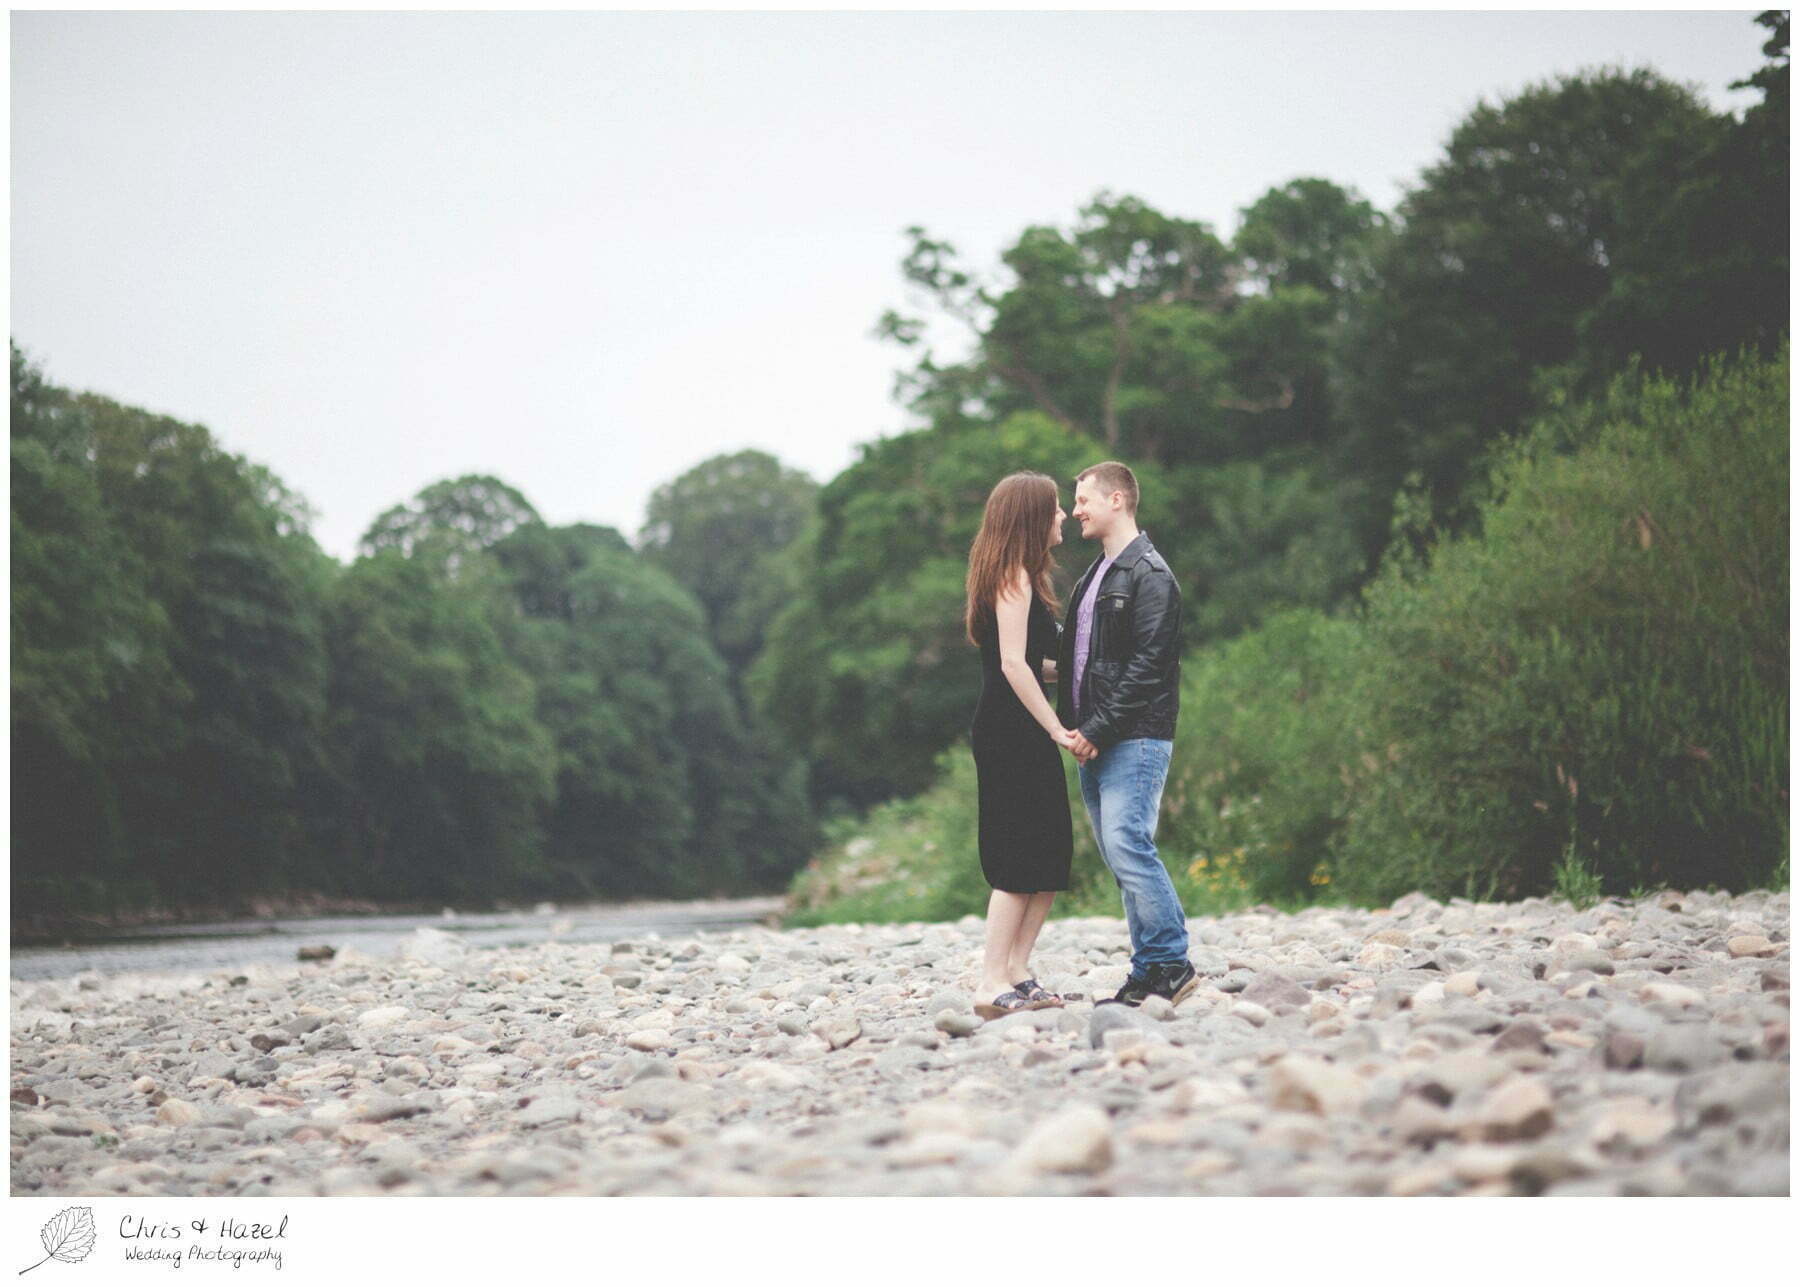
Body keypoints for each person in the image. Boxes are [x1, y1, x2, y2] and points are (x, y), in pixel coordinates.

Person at [1057, 461, 1199, 1007]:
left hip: (1133, 737)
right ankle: (1147, 972)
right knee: (1121, 857)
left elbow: (1148, 665)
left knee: (1128, 845)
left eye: (1084, 499)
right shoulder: (1097, 575)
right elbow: (1085, 659)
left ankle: (1171, 962)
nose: (1076, 511)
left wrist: (1096, 729)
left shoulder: (1150, 574)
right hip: (1096, 741)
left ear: (1117, 500)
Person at [964, 471, 1082, 1020]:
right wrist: (1057, 729)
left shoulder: (1030, 579)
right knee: (1016, 856)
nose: (1062, 517)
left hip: (1026, 725)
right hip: (1009, 731)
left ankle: (1019, 969)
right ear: (1032, 518)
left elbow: (1039, 667)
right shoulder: (1011, 575)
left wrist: (1088, 674)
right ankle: (990, 981)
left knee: (1050, 849)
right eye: (1055, 509)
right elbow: (1012, 664)